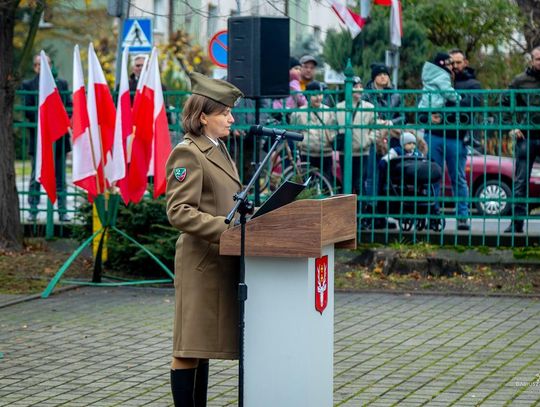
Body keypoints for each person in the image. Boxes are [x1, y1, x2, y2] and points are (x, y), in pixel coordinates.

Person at [165, 71, 244, 406]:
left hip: (219, 261)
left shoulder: (218, 148)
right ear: (203, 117)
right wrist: (227, 229)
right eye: (224, 112)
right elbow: (178, 211)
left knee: (202, 346)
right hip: (200, 263)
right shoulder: (188, 153)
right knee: (189, 348)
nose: (231, 118)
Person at [419, 52, 472, 231]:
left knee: (458, 178)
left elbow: (471, 107)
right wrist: (428, 117)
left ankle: (462, 216)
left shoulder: (468, 84)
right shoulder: (433, 82)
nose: (453, 66)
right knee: (432, 176)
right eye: (450, 63)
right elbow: (421, 111)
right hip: (434, 135)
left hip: (455, 138)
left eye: (456, 63)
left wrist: (445, 112)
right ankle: (433, 213)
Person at [21, 53, 71, 222]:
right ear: (35, 67)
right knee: (36, 175)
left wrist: (57, 121)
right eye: (39, 64)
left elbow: (69, 106)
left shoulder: (61, 84)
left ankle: (62, 211)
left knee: (60, 177)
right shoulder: (28, 85)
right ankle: (33, 210)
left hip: (59, 139)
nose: (42, 67)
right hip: (39, 140)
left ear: (51, 65)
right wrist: (45, 121)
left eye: (46, 63)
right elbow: (27, 110)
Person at [361, 63, 405, 229]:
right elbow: (363, 115)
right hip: (373, 137)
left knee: (387, 176)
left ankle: (382, 214)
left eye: (385, 74)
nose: (383, 77)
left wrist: (391, 122)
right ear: (374, 77)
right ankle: (370, 212)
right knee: (372, 175)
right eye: (380, 75)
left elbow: (402, 117)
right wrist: (377, 122)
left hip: (391, 137)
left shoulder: (395, 95)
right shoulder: (367, 95)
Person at [503, 46, 540, 234]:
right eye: (538, 59)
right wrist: (512, 126)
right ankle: (517, 223)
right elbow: (505, 102)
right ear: (531, 60)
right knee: (521, 181)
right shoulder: (520, 81)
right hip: (527, 136)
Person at [335, 76, 389, 195]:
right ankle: (347, 206)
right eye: (356, 86)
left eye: (360, 86)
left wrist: (368, 140)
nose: (359, 89)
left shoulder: (369, 107)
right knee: (346, 184)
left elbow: (375, 127)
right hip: (344, 151)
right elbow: (333, 126)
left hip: (362, 151)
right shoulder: (339, 107)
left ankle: (361, 207)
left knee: (360, 184)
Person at [289, 80, 337, 183]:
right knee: (308, 182)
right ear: (308, 96)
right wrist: (301, 144)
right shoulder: (299, 113)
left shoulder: (329, 112)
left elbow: (333, 131)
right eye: (314, 95)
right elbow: (294, 133)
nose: (318, 97)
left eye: (320, 94)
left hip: (326, 153)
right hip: (307, 153)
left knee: (326, 183)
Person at [449, 48, 483, 150]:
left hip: (462, 137)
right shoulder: (439, 82)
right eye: (452, 63)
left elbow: (473, 103)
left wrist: (446, 107)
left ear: (465, 63)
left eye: (458, 62)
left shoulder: (473, 84)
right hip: (439, 134)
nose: (455, 66)